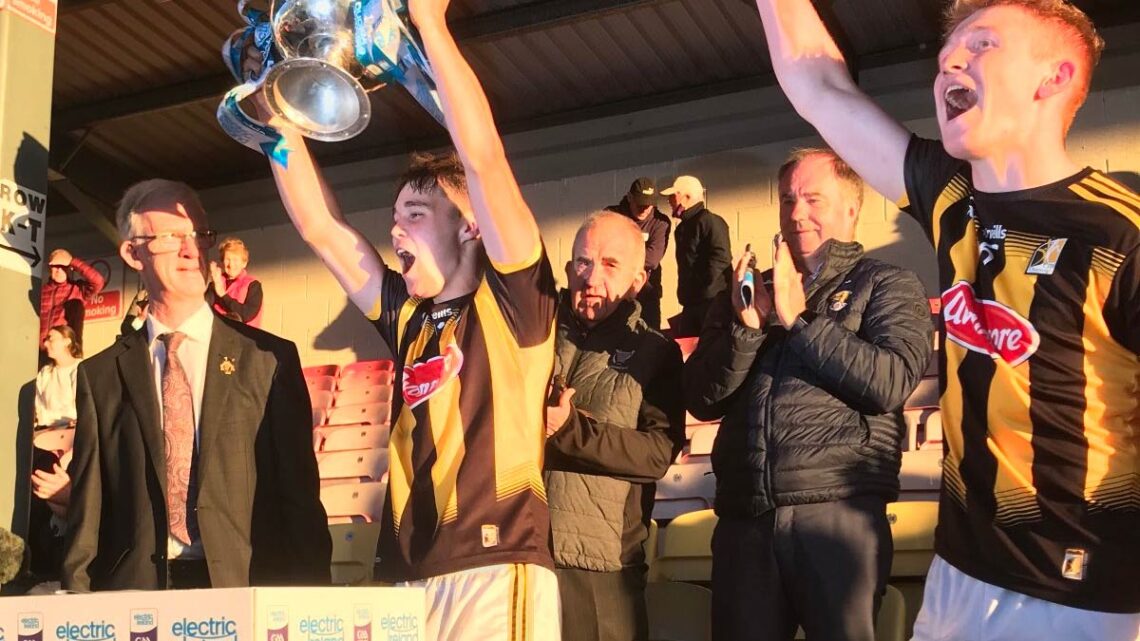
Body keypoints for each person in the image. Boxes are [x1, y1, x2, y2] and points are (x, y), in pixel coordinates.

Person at [753, 0, 1140, 638]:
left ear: (1055, 78)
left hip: (1076, 594)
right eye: (943, 57)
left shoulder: (1119, 235)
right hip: (957, 575)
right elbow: (816, 83)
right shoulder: (951, 197)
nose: (949, 63)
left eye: (982, 45)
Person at [256, 0, 559, 637]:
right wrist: (276, 124)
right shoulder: (408, 318)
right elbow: (320, 228)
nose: (395, 227)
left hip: (495, 566)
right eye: (395, 216)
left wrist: (431, 26)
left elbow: (484, 163)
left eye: (416, 214)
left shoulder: (514, 301)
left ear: (471, 224)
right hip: (404, 576)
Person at [684, 149, 932, 641]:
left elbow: (890, 380)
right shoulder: (744, 293)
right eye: (787, 200)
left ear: (851, 210)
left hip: (839, 516)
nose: (796, 213)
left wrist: (801, 320)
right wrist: (746, 331)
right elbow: (702, 398)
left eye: (812, 198)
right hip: (744, 519)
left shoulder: (888, 284)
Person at [61, 179, 330, 591]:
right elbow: (88, 514)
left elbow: (300, 500)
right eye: (171, 237)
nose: (192, 250)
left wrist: (313, 601)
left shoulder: (268, 359)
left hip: (245, 592)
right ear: (133, 253)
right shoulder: (99, 376)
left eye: (199, 235)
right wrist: (76, 605)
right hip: (136, 603)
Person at [544, 212, 685, 641]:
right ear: (568, 270)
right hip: (521, 554)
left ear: (638, 280)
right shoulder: (534, 337)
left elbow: (658, 453)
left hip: (602, 567)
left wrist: (569, 431)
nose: (591, 277)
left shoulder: (657, 353)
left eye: (610, 265)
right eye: (583, 263)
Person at [661, 175, 731, 337]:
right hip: (691, 304)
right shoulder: (682, 228)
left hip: (711, 303)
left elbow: (721, 257)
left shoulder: (709, 221)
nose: (669, 200)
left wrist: (705, 286)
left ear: (687, 197)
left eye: (673, 195)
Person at [605, 178, 671, 329]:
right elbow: (605, 250)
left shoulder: (660, 222)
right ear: (629, 198)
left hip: (647, 292)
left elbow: (652, 259)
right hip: (616, 291)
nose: (644, 209)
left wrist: (618, 261)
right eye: (640, 204)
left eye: (648, 205)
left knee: (649, 337)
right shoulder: (611, 216)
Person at [39, 249, 106, 351]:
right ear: (49, 268)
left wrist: (72, 262)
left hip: (65, 352)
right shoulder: (41, 292)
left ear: (70, 268)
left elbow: (98, 281)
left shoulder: (78, 289)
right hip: (39, 351)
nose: (59, 270)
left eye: (63, 267)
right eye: (55, 266)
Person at [208, 237, 264, 327]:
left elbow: (246, 315)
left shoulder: (253, 285)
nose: (231, 264)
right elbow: (204, 311)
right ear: (222, 262)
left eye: (235, 259)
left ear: (244, 263)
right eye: (227, 259)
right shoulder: (214, 283)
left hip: (242, 338)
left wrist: (223, 295)